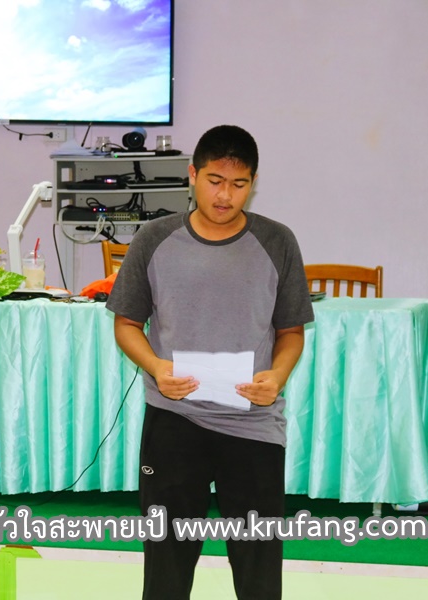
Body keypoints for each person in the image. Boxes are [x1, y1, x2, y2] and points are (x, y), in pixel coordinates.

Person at [106, 125, 314, 600]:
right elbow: (126, 324)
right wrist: (156, 367)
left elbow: (291, 332)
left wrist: (278, 376)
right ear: (192, 175)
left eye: (239, 184)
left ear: (253, 183)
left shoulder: (277, 241)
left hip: (254, 424)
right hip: (174, 420)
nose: (225, 195)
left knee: (259, 566)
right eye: (215, 181)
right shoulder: (154, 238)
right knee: (167, 562)